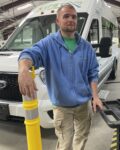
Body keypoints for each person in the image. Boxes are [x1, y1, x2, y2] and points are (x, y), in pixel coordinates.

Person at [18, 3, 103, 150]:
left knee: (82, 138)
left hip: (84, 104)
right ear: (58, 21)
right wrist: (24, 69)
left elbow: (93, 72)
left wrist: (95, 97)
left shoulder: (86, 46)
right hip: (62, 107)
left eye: (74, 17)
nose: (71, 19)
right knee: (65, 143)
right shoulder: (48, 44)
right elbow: (28, 54)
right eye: (66, 16)